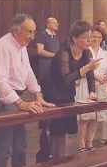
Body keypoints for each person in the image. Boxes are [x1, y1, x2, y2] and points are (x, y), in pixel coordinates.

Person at [0, 13, 55, 167]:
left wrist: (38, 94)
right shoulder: (3, 46)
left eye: (33, 32)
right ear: (16, 31)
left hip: (17, 98)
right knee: (4, 147)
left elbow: (28, 73)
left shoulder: (21, 45)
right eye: (29, 32)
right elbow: (0, 82)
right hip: (1, 98)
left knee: (20, 146)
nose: (32, 36)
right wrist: (22, 104)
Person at [43, 20, 102, 159]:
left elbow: (90, 75)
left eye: (90, 37)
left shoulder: (86, 53)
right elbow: (65, 80)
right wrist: (86, 68)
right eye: (86, 38)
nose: (89, 41)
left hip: (68, 95)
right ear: (75, 39)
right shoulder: (63, 53)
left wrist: (92, 92)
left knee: (65, 131)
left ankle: (61, 162)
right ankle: (53, 162)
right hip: (54, 96)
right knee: (57, 133)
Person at [76, 25, 107, 152]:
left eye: (98, 37)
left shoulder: (106, 53)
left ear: (102, 39)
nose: (96, 39)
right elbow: (82, 70)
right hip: (86, 85)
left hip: (101, 88)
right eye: (93, 37)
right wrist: (96, 78)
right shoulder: (85, 51)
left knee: (95, 117)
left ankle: (89, 142)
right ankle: (81, 144)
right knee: (85, 117)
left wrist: (104, 78)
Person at [35, 17, 60, 163]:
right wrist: (56, 56)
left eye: (57, 23)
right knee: (45, 92)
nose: (57, 24)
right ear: (47, 23)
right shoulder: (43, 35)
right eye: (54, 22)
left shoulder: (55, 36)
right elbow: (40, 51)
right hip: (45, 68)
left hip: (53, 68)